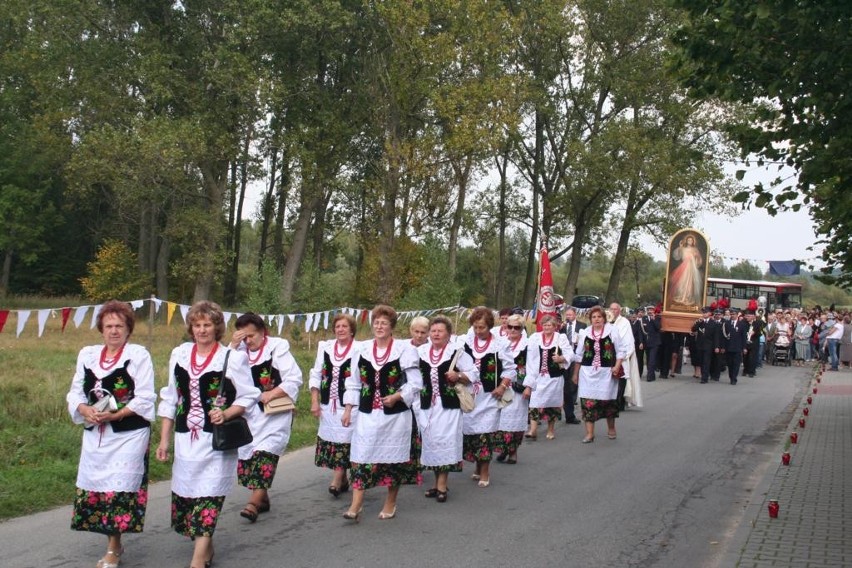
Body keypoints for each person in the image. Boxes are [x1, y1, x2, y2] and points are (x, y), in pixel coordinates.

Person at [156, 301, 260, 568]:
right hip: (185, 440)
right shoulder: (179, 354)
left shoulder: (231, 358)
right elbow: (171, 398)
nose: (202, 330)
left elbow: (249, 396)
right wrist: (164, 440)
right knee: (188, 500)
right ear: (191, 327)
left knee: (209, 496)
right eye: (197, 324)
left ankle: (197, 561)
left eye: (207, 325)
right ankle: (206, 547)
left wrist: (226, 413)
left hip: (215, 441)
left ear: (217, 327)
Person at [67, 300, 156, 568]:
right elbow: (75, 391)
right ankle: (112, 541)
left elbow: (145, 396)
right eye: (109, 326)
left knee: (117, 490)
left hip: (129, 434)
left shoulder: (138, 356)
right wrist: (83, 408)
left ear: (129, 329)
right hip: (96, 434)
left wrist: (115, 415)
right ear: (101, 329)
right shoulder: (88, 355)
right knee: (100, 489)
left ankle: (114, 547)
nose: (114, 331)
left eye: (119, 326)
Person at [341, 305, 422, 521]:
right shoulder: (362, 350)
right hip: (367, 414)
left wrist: (397, 396)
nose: (379, 326)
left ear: (391, 326)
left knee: (393, 462)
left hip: (396, 417)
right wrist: (348, 409)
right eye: (376, 322)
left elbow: (415, 384)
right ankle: (356, 504)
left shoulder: (404, 350)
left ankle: (390, 502)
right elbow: (353, 382)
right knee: (361, 457)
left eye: (383, 323)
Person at [229, 313, 302, 523]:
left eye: (251, 336)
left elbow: (294, 377)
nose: (248, 341)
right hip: (248, 415)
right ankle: (263, 498)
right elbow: (222, 371)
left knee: (265, 455)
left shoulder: (277, 347)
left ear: (262, 332)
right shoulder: (238, 351)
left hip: (273, 414)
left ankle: (253, 504)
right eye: (244, 337)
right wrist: (232, 347)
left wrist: (270, 394)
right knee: (249, 459)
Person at [414, 315, 477, 503]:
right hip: (426, 405)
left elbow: (474, 373)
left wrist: (458, 375)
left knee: (445, 442)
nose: (435, 334)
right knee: (431, 443)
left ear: (448, 334)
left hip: (448, 406)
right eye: (433, 331)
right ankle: (436, 483)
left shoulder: (457, 352)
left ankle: (442, 484)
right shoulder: (421, 351)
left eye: (440, 331)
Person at [462, 306, 517, 488]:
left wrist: (502, 386)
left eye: (482, 328)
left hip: (489, 396)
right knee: (472, 435)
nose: (478, 331)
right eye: (476, 327)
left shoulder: (500, 344)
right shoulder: (466, 342)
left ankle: (485, 471)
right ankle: (477, 466)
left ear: (489, 326)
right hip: (469, 396)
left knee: (485, 434)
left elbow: (510, 369)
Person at [309, 313, 360, 498]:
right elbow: (316, 374)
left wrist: (348, 408)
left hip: (350, 404)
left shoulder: (359, 349)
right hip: (327, 404)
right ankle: (343, 478)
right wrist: (314, 400)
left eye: (344, 326)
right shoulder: (326, 348)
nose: (340, 330)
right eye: (337, 326)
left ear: (352, 329)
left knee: (345, 440)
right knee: (334, 441)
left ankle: (337, 480)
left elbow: (357, 381)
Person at [571, 306, 628, 443]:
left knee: (608, 402)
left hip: (606, 372)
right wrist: (575, 374)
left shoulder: (612, 331)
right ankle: (590, 434)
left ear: (604, 318)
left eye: (599, 317)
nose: (596, 319)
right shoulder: (585, 333)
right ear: (590, 319)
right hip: (587, 372)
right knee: (587, 403)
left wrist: (616, 366)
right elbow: (579, 355)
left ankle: (611, 428)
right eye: (594, 317)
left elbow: (621, 351)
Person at [495, 314, 534, 463]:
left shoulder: (528, 345)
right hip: (501, 387)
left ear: (522, 329)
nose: (512, 330)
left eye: (516, 327)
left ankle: (513, 451)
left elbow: (532, 367)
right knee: (500, 420)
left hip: (518, 387)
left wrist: (529, 387)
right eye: (509, 326)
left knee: (515, 421)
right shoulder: (499, 343)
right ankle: (503, 449)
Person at [526, 315, 571, 440]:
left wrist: (561, 358)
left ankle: (551, 430)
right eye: (544, 325)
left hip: (554, 377)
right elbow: (530, 354)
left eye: (549, 325)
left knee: (552, 403)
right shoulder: (535, 338)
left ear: (554, 326)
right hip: (538, 376)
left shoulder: (560, 338)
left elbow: (570, 354)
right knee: (534, 402)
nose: (546, 327)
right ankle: (533, 430)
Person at [609, 303, 641, 409]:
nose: (613, 311)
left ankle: (620, 402)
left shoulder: (624, 322)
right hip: (608, 354)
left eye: (615, 309)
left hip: (621, 354)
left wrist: (623, 354)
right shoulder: (606, 321)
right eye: (611, 309)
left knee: (621, 376)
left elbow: (626, 339)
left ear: (619, 310)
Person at [560, 307, 585, 423]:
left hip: (576, 356)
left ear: (575, 315)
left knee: (573, 382)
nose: (569, 316)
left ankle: (573, 404)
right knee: (565, 386)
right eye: (567, 315)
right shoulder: (562, 326)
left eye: (571, 315)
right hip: (564, 358)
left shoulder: (582, 325)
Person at [668, 234, 704, 308]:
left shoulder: (695, 250)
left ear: (693, 241)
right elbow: (677, 257)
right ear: (686, 241)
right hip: (684, 267)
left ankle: (688, 298)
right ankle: (681, 296)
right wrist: (680, 248)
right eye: (688, 240)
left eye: (691, 240)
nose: (690, 241)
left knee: (690, 283)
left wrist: (696, 257)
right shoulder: (683, 249)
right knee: (681, 282)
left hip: (691, 268)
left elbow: (699, 260)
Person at [692, 307, 722, 383]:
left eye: (705, 312)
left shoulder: (713, 323)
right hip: (700, 344)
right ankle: (704, 374)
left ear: (709, 313)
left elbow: (716, 336)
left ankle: (704, 378)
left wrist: (716, 346)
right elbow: (693, 329)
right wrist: (698, 322)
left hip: (709, 345)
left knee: (706, 361)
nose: (704, 314)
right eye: (703, 313)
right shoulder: (700, 322)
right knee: (701, 361)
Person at [722, 309, 748, 384]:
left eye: (734, 314)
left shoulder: (742, 324)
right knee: (730, 364)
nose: (732, 316)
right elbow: (724, 336)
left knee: (736, 364)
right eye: (731, 314)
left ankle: (734, 378)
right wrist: (723, 347)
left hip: (737, 347)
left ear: (737, 315)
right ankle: (731, 376)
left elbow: (744, 337)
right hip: (729, 346)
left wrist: (744, 347)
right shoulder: (727, 323)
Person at [743, 311, 763, 377]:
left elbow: (760, 333)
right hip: (745, 343)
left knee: (752, 358)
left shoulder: (757, 323)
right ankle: (745, 370)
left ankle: (752, 371)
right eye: (747, 316)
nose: (747, 317)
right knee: (745, 357)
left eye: (749, 316)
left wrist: (755, 333)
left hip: (754, 343)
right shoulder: (744, 323)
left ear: (753, 317)